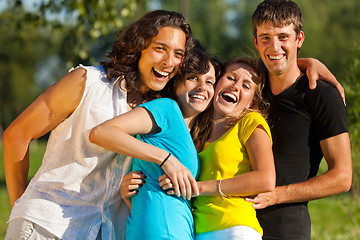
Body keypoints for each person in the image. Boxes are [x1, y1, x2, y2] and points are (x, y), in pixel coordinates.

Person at [3, 10, 197, 240]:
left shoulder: (159, 113)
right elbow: (16, 135)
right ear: (139, 46)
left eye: (178, 54)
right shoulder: (88, 83)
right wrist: (21, 207)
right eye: (160, 48)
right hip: (46, 227)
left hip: (103, 233)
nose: (169, 62)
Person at [89, 41, 222, 239]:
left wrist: (129, 198)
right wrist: (166, 159)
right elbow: (101, 133)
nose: (202, 87)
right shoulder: (166, 109)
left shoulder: (194, 134)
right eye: (193, 78)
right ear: (176, 82)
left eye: (210, 81)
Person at [246, 1, 352, 239]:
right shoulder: (247, 89)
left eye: (283, 37)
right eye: (265, 38)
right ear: (255, 42)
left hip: (286, 230)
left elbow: (343, 177)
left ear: (299, 39)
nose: (274, 46)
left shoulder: (321, 96)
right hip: (234, 226)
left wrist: (276, 195)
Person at [157, 56, 275, 239]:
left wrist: (199, 187)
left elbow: (266, 179)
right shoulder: (195, 131)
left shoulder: (250, 122)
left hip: (235, 228)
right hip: (197, 231)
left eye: (246, 86)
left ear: (251, 102)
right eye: (231, 78)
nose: (236, 86)